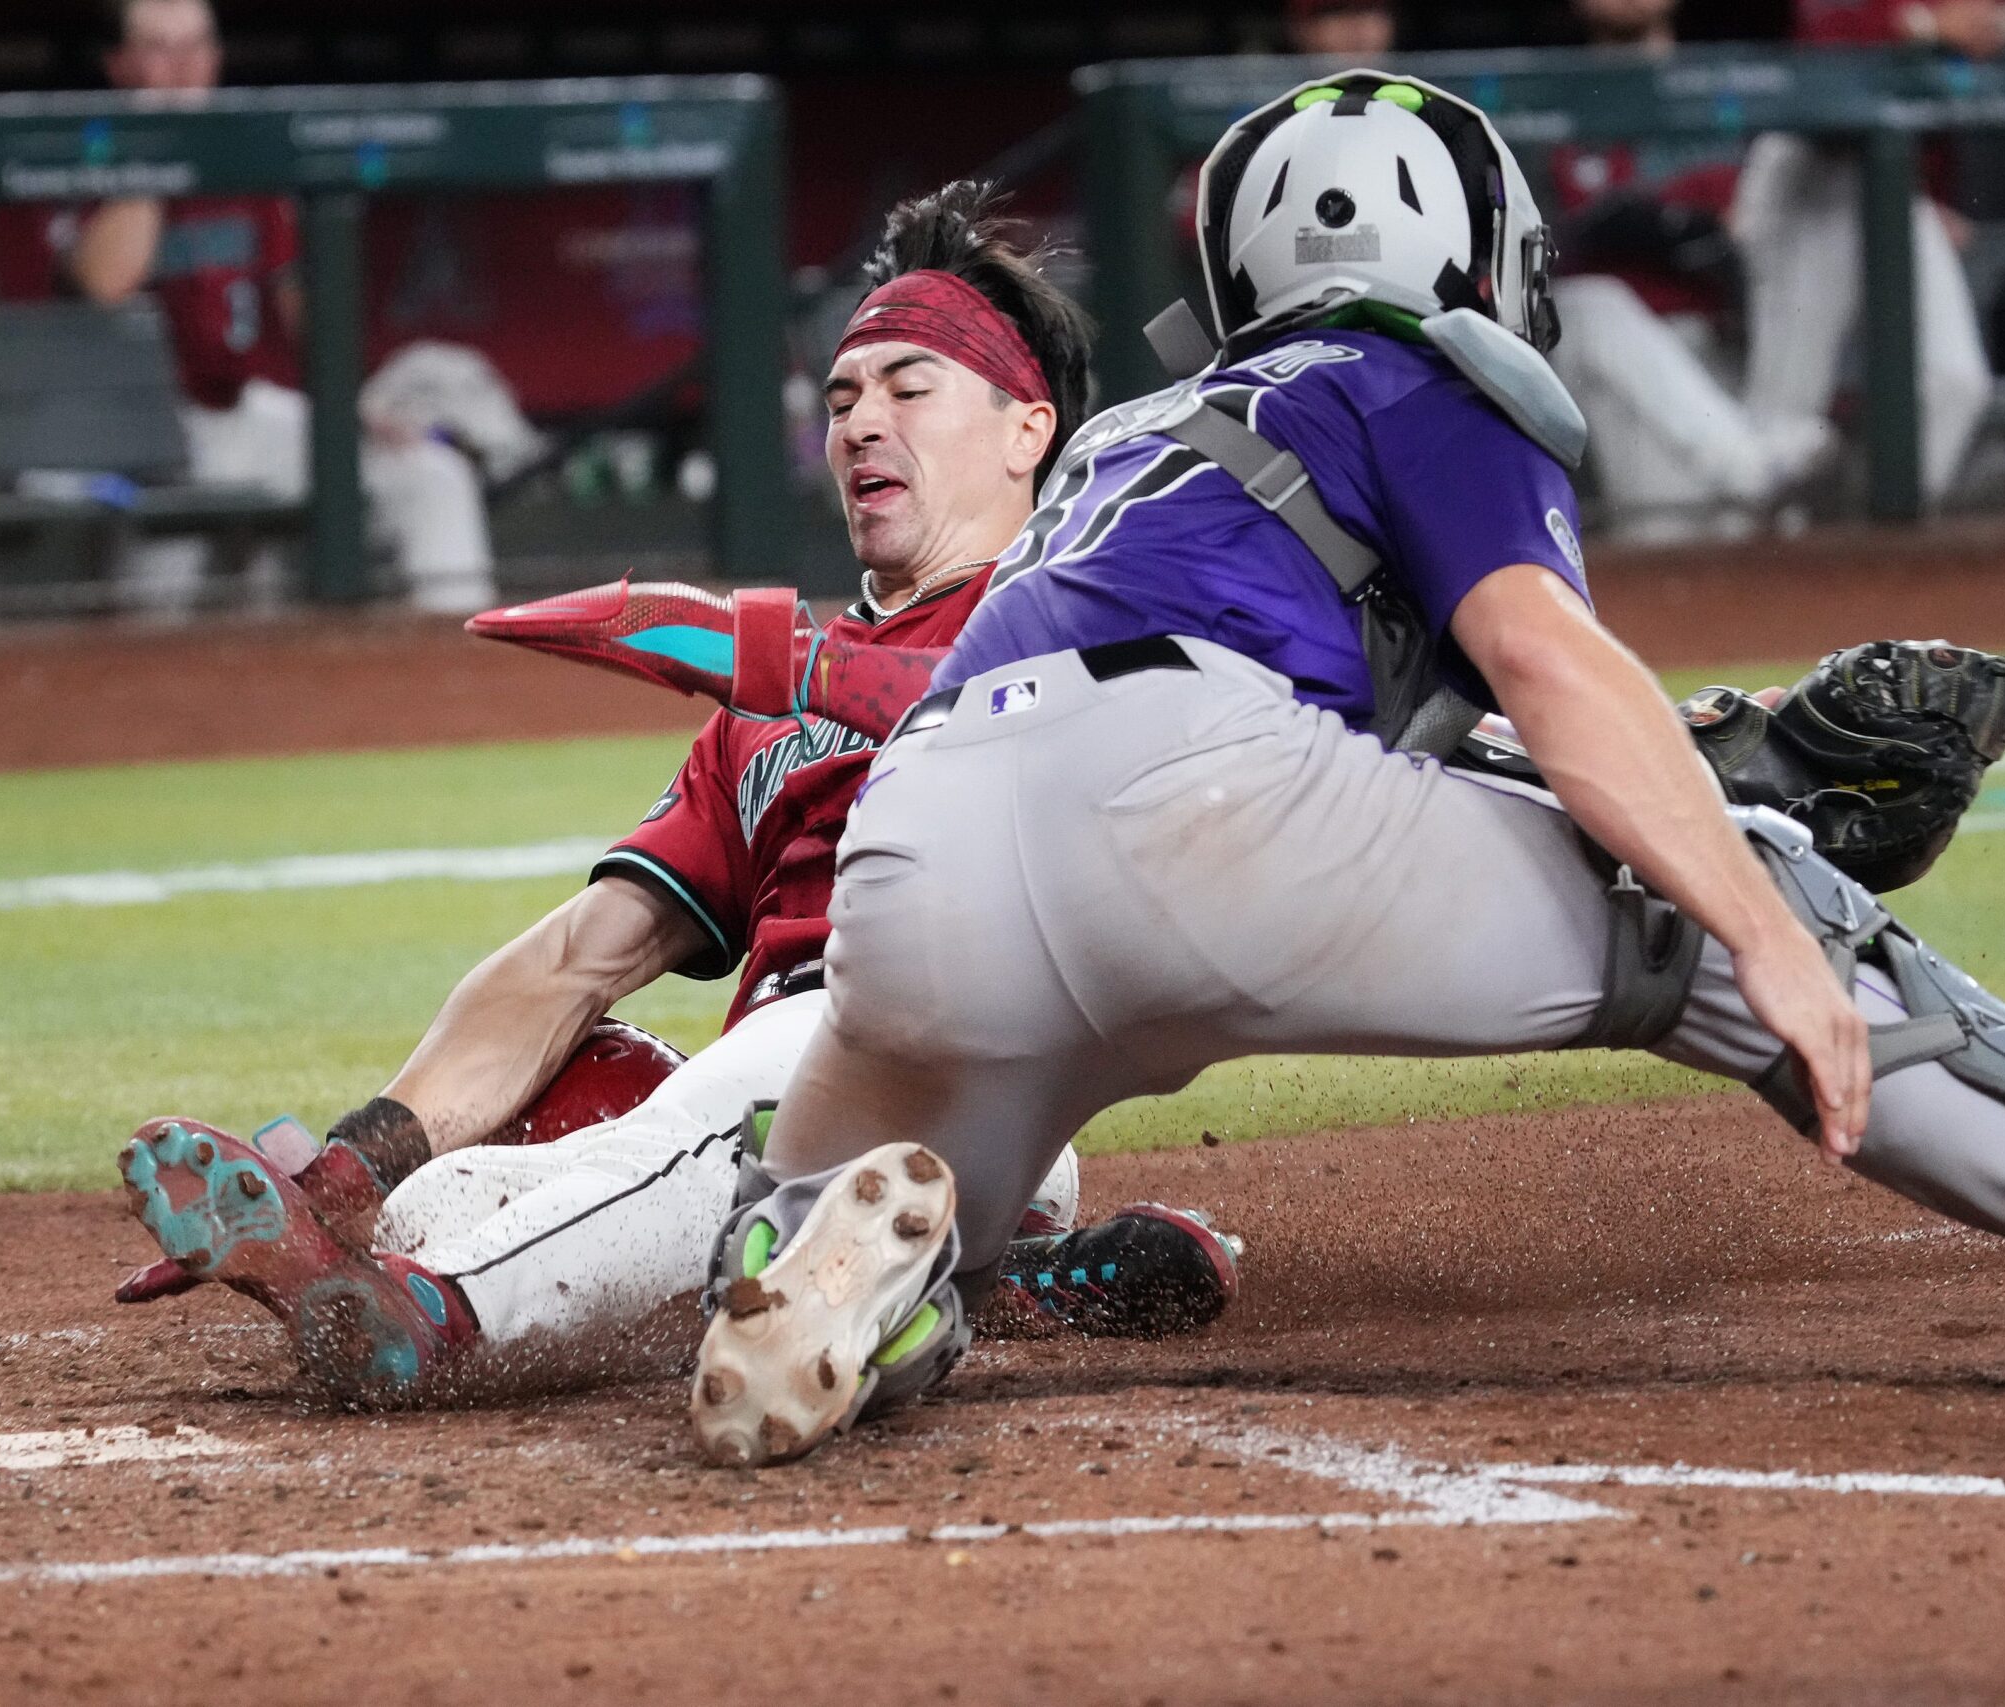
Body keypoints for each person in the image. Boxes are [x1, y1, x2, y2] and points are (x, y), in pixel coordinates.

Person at [687, 70, 2005, 1467]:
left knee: (876, 1207)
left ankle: (851, 1271)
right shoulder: (1410, 364)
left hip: (927, 866)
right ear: (1457, 239)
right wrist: (1753, 895)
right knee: (1731, 913)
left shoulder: (1132, 440)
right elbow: (1539, 668)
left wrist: (1685, 757)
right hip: (1196, 813)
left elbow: (1413, 747)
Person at [115, 184, 1241, 1405]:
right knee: (474, 1176)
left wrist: (773, 652)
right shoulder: (762, 715)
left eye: (909, 390)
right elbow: (572, 961)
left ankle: (438, 1315)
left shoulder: (1090, 609)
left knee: (719, 1131)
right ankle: (966, 1281)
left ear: (1028, 432)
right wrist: (347, 1174)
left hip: (949, 1055)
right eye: (843, 397)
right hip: (802, 1101)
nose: (863, 421)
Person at [66, 0, 497, 616]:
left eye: (195, 47)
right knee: (151, 619)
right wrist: (159, 148)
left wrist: (352, 408)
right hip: (141, 441)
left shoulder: (248, 156)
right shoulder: (87, 151)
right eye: (159, 49)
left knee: (431, 477)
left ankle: (462, 675)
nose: (182, 68)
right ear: (119, 64)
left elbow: (305, 317)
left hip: (250, 413)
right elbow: (107, 282)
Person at [1546, 0, 1835, 539]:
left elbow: (1751, 228)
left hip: (1732, 351)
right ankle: (1756, 466)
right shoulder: (1554, 97)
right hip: (1624, 369)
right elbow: (1579, 232)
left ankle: (1755, 466)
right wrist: (1674, 225)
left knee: (1730, 539)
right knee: (1584, 303)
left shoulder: (1730, 84)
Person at [1732, 0, 2005, 503]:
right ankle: (1747, 556)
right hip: (1812, 170)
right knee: (1787, 414)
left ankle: (1883, 545)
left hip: (1897, 177)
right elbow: (1822, 40)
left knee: (1955, 383)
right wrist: (1924, 26)